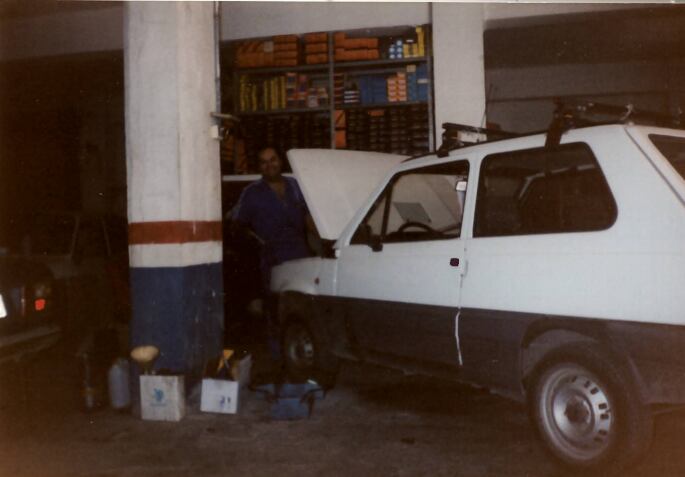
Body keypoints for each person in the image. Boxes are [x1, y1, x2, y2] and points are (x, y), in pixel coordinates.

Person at [230, 146, 314, 354]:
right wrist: (254, 241)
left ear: (280, 161)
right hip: (272, 258)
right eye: (263, 161)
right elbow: (236, 225)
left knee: (302, 308)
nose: (269, 165)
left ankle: (299, 355)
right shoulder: (251, 193)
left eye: (273, 159)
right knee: (275, 310)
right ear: (258, 166)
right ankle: (278, 357)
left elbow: (308, 218)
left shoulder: (295, 186)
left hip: (300, 255)